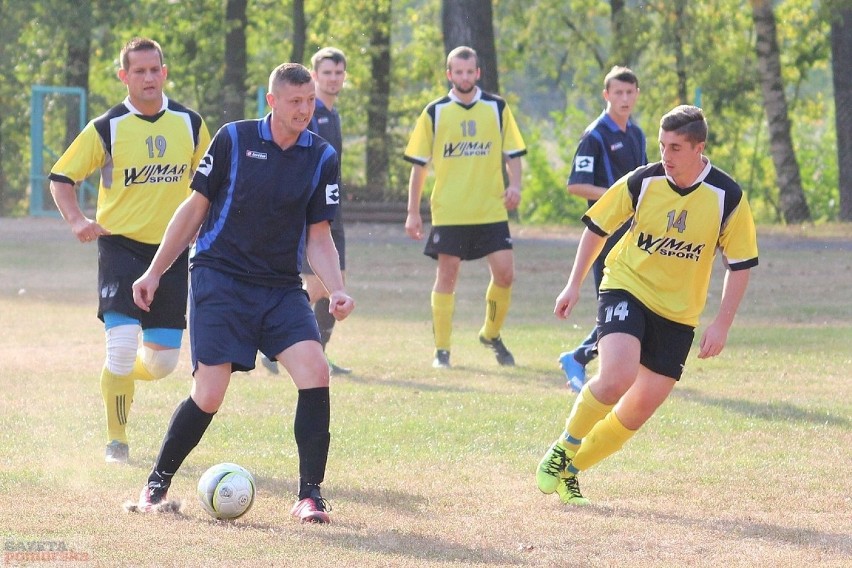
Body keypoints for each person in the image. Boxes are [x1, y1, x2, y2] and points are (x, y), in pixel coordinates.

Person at [125, 62, 354, 524]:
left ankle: (310, 495)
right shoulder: (234, 139)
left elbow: (319, 235)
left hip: (279, 286)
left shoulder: (321, 155)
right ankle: (156, 484)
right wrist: (154, 272)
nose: (305, 110)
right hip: (220, 277)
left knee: (316, 371)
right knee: (209, 393)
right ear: (271, 101)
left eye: (310, 101)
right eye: (295, 102)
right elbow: (194, 210)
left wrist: (337, 289)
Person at [536, 105, 758, 505]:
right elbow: (596, 228)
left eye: (675, 147)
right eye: (661, 145)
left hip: (678, 314)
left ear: (699, 148)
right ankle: (563, 447)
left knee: (637, 411)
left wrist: (722, 323)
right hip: (627, 286)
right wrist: (572, 285)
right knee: (617, 375)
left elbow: (739, 265)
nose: (665, 156)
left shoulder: (728, 196)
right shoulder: (644, 181)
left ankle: (572, 469)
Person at [48, 37, 210, 464]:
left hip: (172, 254)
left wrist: (204, 225)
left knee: (160, 365)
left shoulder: (191, 124)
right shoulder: (107, 126)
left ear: (165, 72)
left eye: (154, 69)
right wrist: (78, 221)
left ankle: (119, 374)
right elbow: (61, 177)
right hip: (120, 248)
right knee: (120, 347)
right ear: (124, 76)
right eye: (138, 71)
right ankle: (116, 439)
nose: (148, 77)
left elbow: (214, 184)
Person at [404, 46, 526, 369]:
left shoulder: (497, 108)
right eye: (458, 72)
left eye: (469, 72)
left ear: (478, 73)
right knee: (448, 275)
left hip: (490, 210)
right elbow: (418, 166)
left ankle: (490, 334)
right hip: (451, 210)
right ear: (449, 75)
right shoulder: (435, 112)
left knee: (505, 273)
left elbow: (513, 154)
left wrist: (515, 185)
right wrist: (413, 212)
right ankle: (442, 351)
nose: (464, 77)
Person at [261, 47, 351, 376]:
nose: (333, 78)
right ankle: (277, 346)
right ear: (314, 76)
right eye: (326, 72)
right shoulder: (309, 114)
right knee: (317, 286)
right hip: (308, 214)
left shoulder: (332, 113)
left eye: (338, 73)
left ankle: (318, 352)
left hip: (331, 208)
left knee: (337, 283)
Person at [558, 66, 647, 392]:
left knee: (636, 304)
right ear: (606, 95)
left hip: (635, 234)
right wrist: (617, 198)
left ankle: (581, 357)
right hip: (605, 235)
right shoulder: (595, 136)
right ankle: (580, 358)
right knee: (620, 306)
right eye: (618, 93)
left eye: (630, 92)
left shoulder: (636, 134)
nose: (624, 98)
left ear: (637, 94)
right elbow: (577, 185)